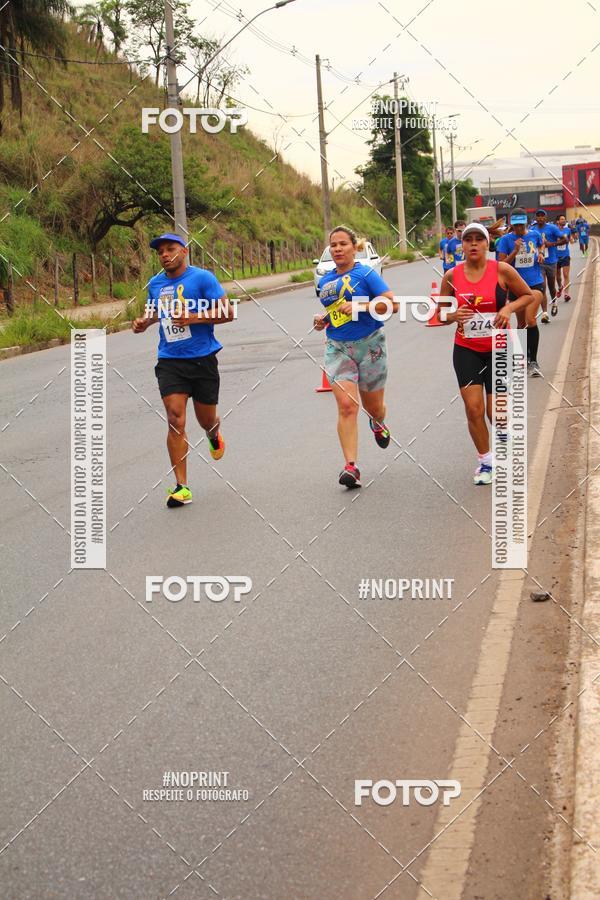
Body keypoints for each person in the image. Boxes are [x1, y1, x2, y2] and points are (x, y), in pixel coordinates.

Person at [132, 233, 234, 508]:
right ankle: (182, 486)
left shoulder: (202, 279)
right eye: (160, 251)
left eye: (170, 249)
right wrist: (145, 322)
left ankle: (213, 435)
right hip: (170, 360)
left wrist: (195, 318)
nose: (165, 255)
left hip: (202, 359)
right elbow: (156, 312)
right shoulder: (155, 284)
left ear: (184, 251)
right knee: (175, 419)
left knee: (206, 420)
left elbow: (228, 313)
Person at [437, 223, 533, 485]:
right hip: (467, 348)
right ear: (462, 245)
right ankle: (486, 462)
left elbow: (529, 295)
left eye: (480, 239)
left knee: (496, 413)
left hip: (500, 348)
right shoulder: (451, 276)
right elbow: (440, 314)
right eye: (469, 239)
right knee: (473, 409)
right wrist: (452, 315)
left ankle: (506, 440)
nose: (474, 244)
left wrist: (508, 309)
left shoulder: (502, 269)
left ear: (488, 243)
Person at [313, 225, 398, 489]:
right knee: (348, 406)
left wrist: (362, 305)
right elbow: (334, 313)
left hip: (370, 344)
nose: (337, 249)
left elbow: (392, 304)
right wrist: (321, 320)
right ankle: (351, 466)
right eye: (333, 245)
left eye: (343, 244)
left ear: (354, 247)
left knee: (373, 406)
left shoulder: (366, 274)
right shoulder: (326, 282)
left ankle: (378, 421)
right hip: (338, 347)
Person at [496, 208, 545, 376]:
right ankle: (524, 357)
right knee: (522, 324)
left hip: (535, 284)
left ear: (526, 223)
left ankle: (534, 361)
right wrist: (515, 251)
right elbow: (501, 265)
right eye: (515, 225)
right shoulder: (506, 240)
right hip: (516, 288)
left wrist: (541, 254)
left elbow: (541, 245)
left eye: (521, 225)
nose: (518, 229)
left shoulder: (534, 235)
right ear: (511, 224)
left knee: (531, 319)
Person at [530, 209, 567, 322]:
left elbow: (565, 239)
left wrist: (552, 244)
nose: (540, 218)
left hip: (551, 261)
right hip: (539, 262)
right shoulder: (532, 229)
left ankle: (554, 302)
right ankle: (545, 313)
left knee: (551, 287)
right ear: (536, 218)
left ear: (546, 218)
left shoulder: (552, 228)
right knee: (542, 287)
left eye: (542, 216)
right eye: (538, 216)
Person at [555, 214, 572, 302]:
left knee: (566, 275)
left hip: (565, 255)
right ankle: (560, 287)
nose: (563, 220)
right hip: (555, 256)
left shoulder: (568, 230)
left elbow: (568, 241)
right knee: (557, 276)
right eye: (561, 219)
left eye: (564, 219)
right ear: (557, 221)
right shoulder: (554, 230)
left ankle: (566, 294)